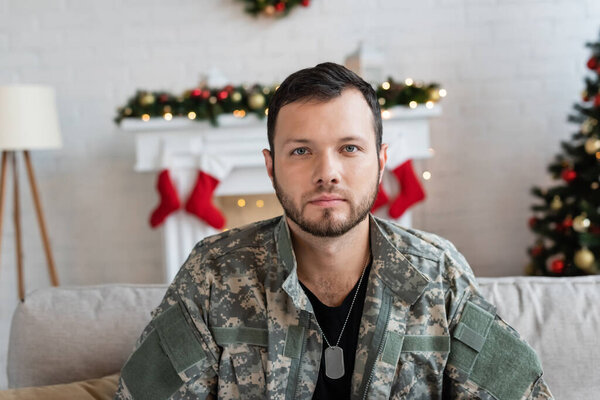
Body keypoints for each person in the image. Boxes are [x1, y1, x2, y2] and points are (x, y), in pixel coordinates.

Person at [114, 62, 553, 399]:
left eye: (349, 148)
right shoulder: (212, 273)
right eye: (301, 150)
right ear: (271, 167)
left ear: (381, 161)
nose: (328, 173)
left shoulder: (439, 274)